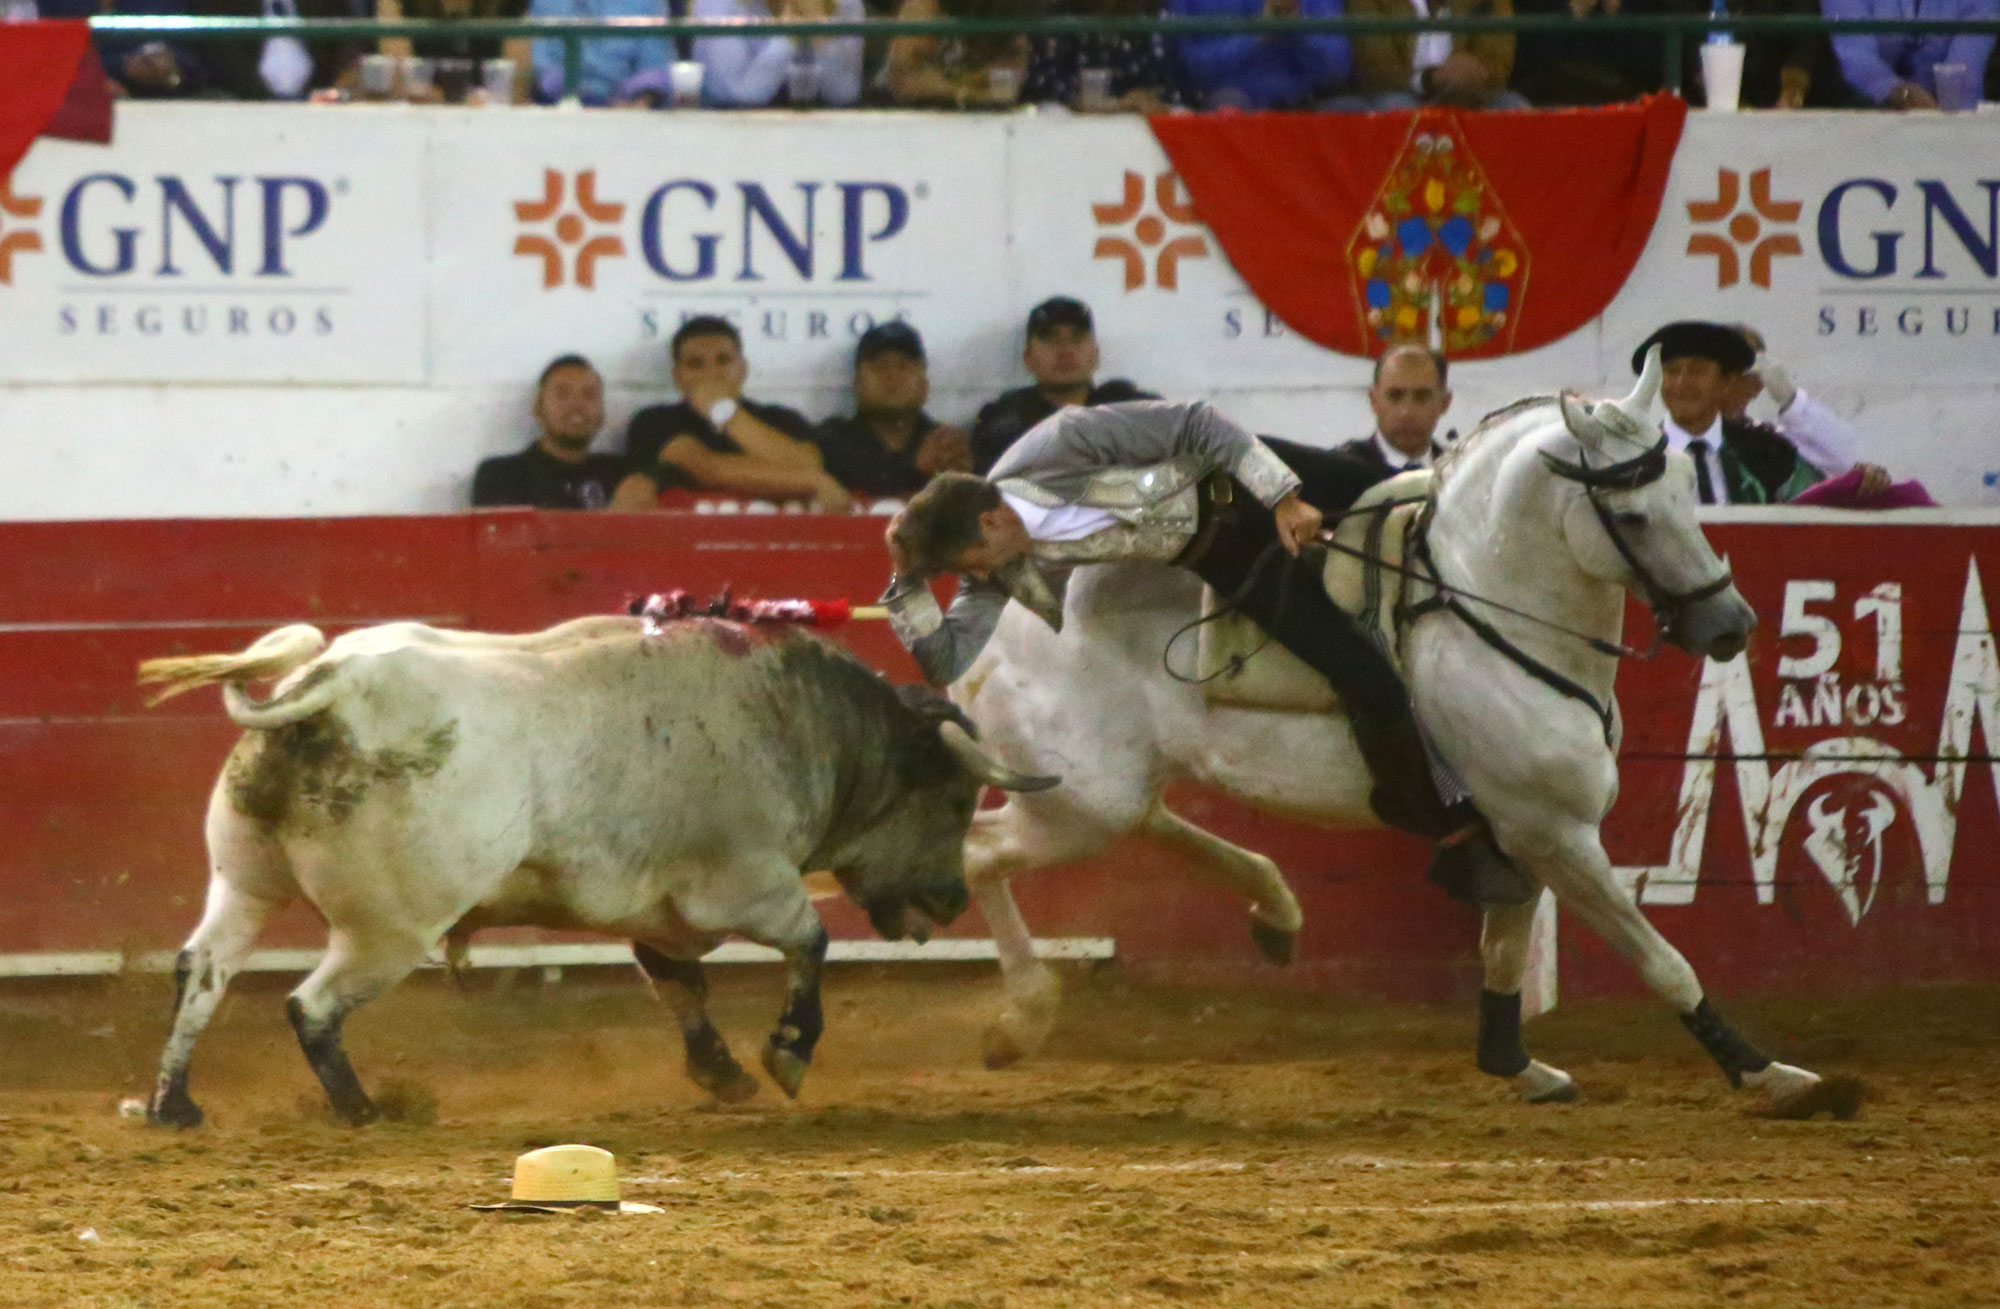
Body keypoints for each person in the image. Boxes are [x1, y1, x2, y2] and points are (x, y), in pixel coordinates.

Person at [880, 400, 1537, 909]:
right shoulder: (992, 560)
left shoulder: (1058, 445)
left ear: (990, 523)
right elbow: (946, 658)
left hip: (1249, 481)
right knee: (1359, 671)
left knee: (1418, 501)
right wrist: (904, 584)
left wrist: (1284, 497)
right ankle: (1455, 837)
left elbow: (1195, 422)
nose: (972, 576)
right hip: (1222, 555)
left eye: (966, 561)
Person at [625, 316, 852, 511]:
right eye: (695, 364)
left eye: (723, 360)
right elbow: (706, 468)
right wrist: (813, 482)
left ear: (743, 368)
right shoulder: (655, 420)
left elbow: (806, 464)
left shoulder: (780, 418)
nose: (711, 373)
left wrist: (727, 414)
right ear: (678, 376)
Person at [1633, 321, 1827, 505]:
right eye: (1671, 371)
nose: (1681, 383)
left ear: (1725, 382)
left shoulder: (1769, 453)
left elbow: (1821, 511)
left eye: (1697, 371)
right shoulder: (1635, 458)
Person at [969, 296, 1156, 474]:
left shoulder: (1132, 411)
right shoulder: (1004, 421)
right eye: (1050, 339)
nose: (1065, 350)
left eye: (1076, 338)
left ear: (1095, 356)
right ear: (1029, 358)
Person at [472, 355, 658, 510]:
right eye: (562, 394)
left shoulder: (621, 474)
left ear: (602, 414)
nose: (577, 405)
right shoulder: (501, 475)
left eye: (589, 395)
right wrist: (611, 520)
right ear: (538, 408)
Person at [814, 321, 972, 501]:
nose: (892, 376)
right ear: (857, 383)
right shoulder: (830, 442)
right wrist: (916, 468)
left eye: (903, 366)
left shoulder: (946, 447)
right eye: (879, 366)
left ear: (924, 384)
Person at [1166, 0, 1354, 111]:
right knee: (1229, 103)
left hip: (1306, 107)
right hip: (1227, 109)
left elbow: (1337, 68)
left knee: (1362, 112)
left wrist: (1298, 28)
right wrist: (1256, 35)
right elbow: (1190, 69)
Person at [1344, 0, 1529, 109]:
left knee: (1514, 107)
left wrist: (1471, 75)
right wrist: (1429, 79)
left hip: (1471, 93)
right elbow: (1374, 65)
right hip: (1400, 92)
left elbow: (1498, 61)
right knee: (1398, 106)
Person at [1822, 0, 1999, 109]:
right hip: (1868, 112)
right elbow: (1855, 56)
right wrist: (1896, 90)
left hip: (1948, 114)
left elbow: (1966, 67)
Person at [1019, 0, 1190, 111]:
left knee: (1180, 112)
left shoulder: (1151, 18)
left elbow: (1174, 86)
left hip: (1136, 123)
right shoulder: (1059, 17)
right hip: (1075, 126)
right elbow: (1040, 85)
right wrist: (1111, 104)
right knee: (1051, 111)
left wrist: (1148, 97)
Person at [689, 0, 866, 106]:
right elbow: (739, 96)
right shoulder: (718, 4)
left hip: (821, 137)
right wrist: (789, 37)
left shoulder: (843, 4)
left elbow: (845, 93)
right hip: (728, 138)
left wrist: (820, 32)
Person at [881, 0, 1032, 108]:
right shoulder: (924, 5)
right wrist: (962, 92)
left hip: (982, 124)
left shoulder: (1009, 11)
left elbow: (1004, 91)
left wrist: (962, 92)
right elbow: (905, 78)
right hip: (910, 116)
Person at [525, 0, 675, 105]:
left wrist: (636, 102)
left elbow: (654, 68)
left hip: (628, 113)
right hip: (561, 107)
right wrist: (579, 97)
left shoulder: (648, 3)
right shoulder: (545, 2)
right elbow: (543, 66)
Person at [1336, 344, 1452, 476]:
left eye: (1422, 397)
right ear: (1374, 400)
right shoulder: (1340, 474)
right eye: (1394, 396)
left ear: (1444, 403)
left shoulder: (1461, 474)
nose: (1406, 412)